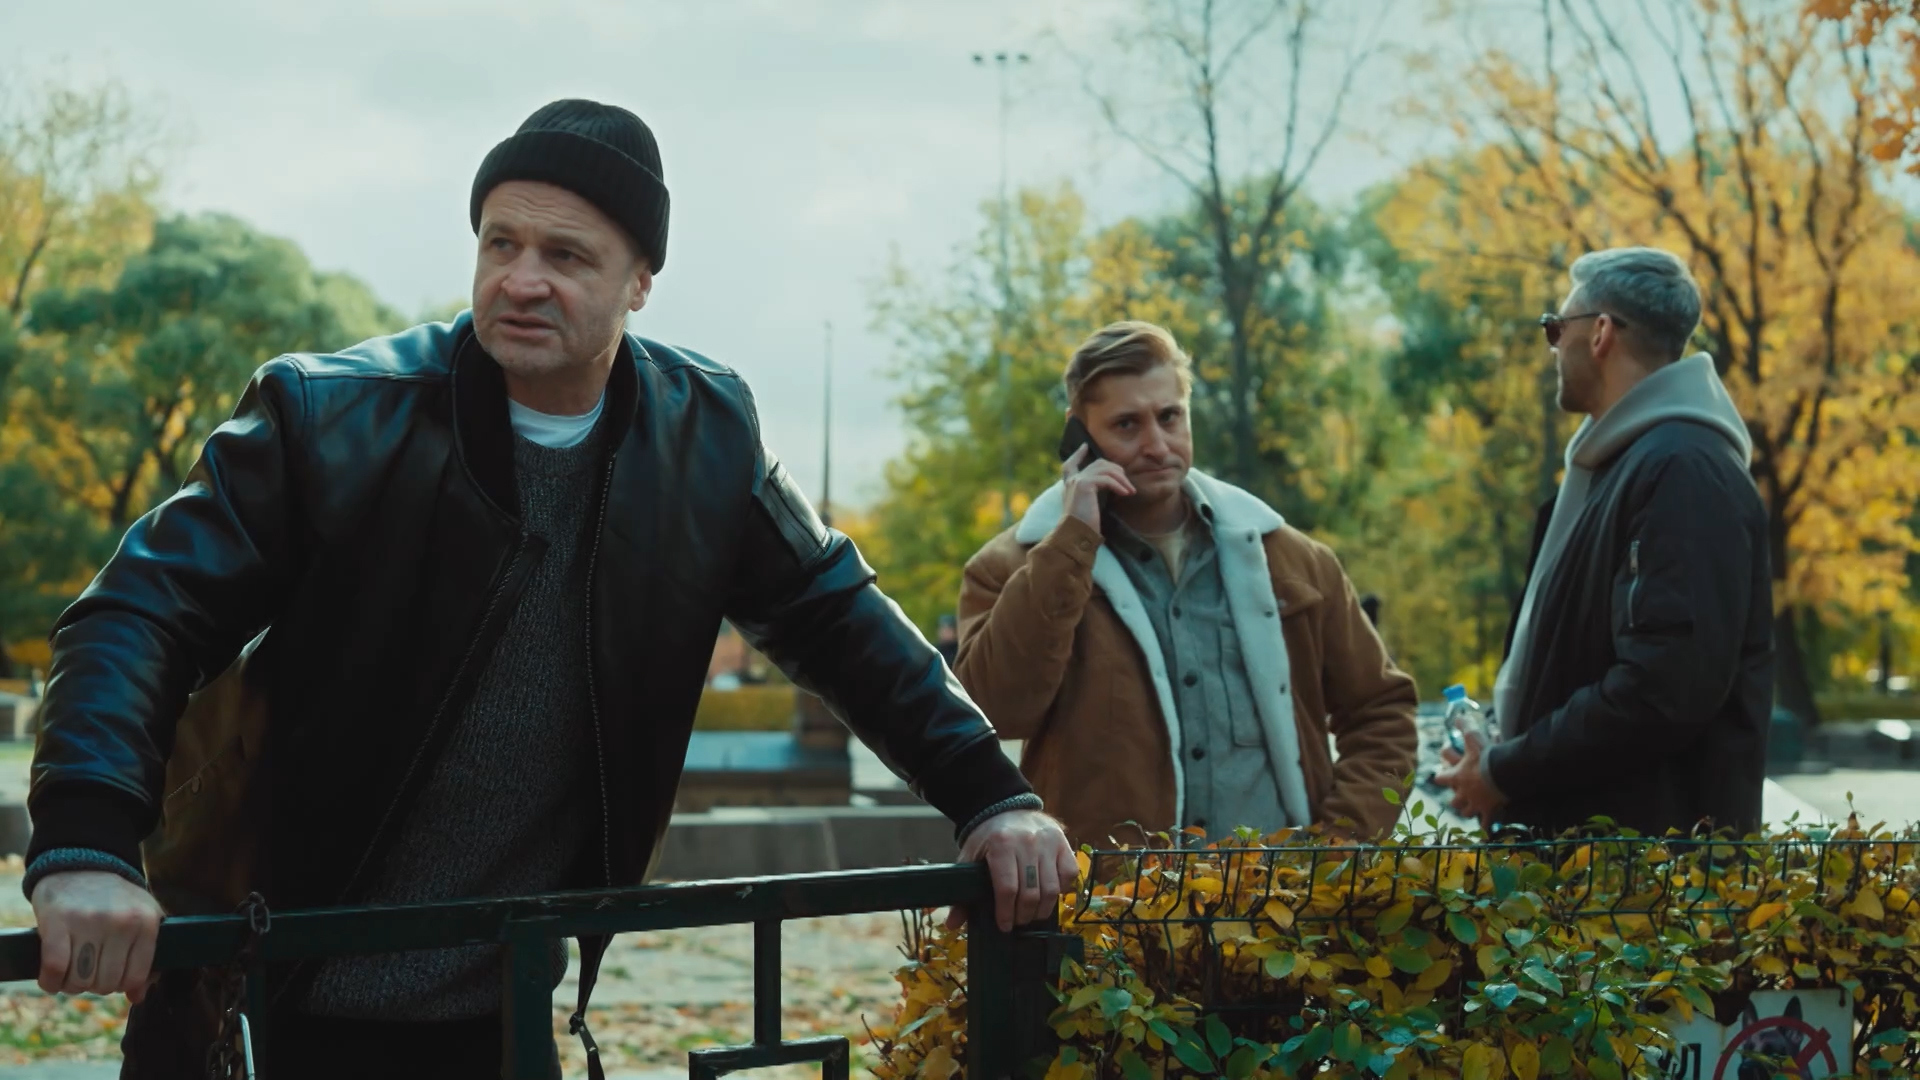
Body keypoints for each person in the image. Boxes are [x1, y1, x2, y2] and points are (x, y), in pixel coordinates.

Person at [23, 99, 1073, 1079]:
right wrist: (87, 845)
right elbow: (138, 612)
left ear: (640, 282)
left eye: (566, 256)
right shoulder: (329, 416)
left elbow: (837, 617)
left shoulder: (706, 435)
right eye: (500, 244)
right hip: (257, 990)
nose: (521, 280)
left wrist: (991, 798)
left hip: (503, 1006)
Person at [953, 321, 1419, 848]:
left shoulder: (1293, 560)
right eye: (1127, 425)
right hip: (1111, 896)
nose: (1157, 445)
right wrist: (1071, 544)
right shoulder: (1011, 567)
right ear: (1078, 434)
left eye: (1170, 417)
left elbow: (1382, 712)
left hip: (1284, 894)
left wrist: (1339, 846)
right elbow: (995, 712)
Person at [1432, 247, 1772, 837]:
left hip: (1642, 877)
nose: (1552, 347)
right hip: (1600, 866)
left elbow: (1661, 689)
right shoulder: (1631, 468)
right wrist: (1498, 752)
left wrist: (1506, 771)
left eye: (1554, 328)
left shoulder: (1682, 472)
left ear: (1600, 334)